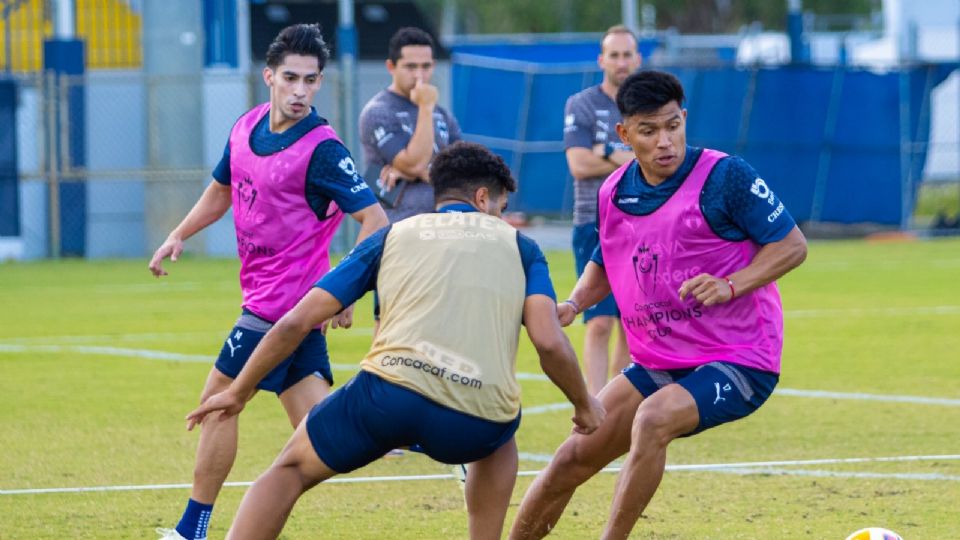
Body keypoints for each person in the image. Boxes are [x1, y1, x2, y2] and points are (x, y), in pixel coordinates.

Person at [185, 141, 605, 540]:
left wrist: (239, 391)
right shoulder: (521, 246)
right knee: (500, 441)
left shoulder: (392, 235)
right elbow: (548, 342)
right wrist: (584, 405)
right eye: (501, 207)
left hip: (385, 397)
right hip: (474, 419)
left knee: (288, 471)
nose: (502, 218)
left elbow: (296, 321)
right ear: (482, 198)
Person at [510, 70, 808, 540]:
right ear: (624, 134)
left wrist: (731, 284)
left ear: (684, 119)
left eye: (673, 125)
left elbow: (792, 245)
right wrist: (572, 304)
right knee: (572, 457)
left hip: (740, 359)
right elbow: (605, 261)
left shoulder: (726, 176)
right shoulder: (614, 191)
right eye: (649, 131)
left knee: (653, 419)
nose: (665, 141)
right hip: (661, 361)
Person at [148, 23, 388, 540]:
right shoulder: (245, 126)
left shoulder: (323, 149)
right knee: (326, 433)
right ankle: (412, 428)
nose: (301, 90)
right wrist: (179, 232)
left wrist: (342, 287)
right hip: (271, 301)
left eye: (311, 80)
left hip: (282, 308)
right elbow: (221, 190)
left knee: (218, 403)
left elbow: (375, 221)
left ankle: (193, 528)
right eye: (291, 78)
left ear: (320, 82)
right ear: (269, 77)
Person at [563, 24, 640, 395]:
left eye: (627, 54)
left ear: (637, 58)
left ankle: (618, 403)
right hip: (594, 220)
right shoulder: (581, 104)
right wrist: (624, 157)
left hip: (641, 222)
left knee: (633, 321)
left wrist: (604, 150)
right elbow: (578, 164)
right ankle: (593, 407)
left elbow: (651, 161)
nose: (621, 62)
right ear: (601, 60)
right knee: (598, 322)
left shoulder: (645, 105)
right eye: (614, 54)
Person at [359, 26, 462, 223]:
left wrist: (414, 173)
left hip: (445, 222)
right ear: (391, 67)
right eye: (411, 67)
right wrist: (425, 107)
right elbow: (414, 164)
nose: (419, 76)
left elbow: (463, 175)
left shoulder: (442, 114)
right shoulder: (378, 111)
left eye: (426, 66)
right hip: (398, 225)